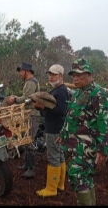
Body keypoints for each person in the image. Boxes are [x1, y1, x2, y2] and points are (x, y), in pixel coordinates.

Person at [59, 59, 108, 207]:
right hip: (75, 144)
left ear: (89, 74)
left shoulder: (99, 94)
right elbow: (71, 116)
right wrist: (63, 134)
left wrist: (103, 149)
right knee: (85, 178)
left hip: (88, 146)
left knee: (76, 175)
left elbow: (105, 123)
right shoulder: (77, 94)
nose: (75, 78)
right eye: (73, 75)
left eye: (79, 75)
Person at [34, 65, 69, 197]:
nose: (51, 77)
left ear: (61, 76)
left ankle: (51, 189)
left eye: (54, 74)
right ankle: (60, 184)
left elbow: (60, 111)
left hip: (54, 129)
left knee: (53, 156)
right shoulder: (59, 90)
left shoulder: (60, 91)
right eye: (49, 74)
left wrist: (41, 106)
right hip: (57, 127)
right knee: (59, 155)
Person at [5, 62, 40, 178]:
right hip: (28, 114)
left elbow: (28, 99)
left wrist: (15, 99)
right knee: (26, 139)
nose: (20, 73)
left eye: (21, 71)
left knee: (29, 140)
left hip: (32, 114)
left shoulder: (31, 82)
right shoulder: (29, 82)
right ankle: (26, 165)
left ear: (26, 71)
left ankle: (31, 169)